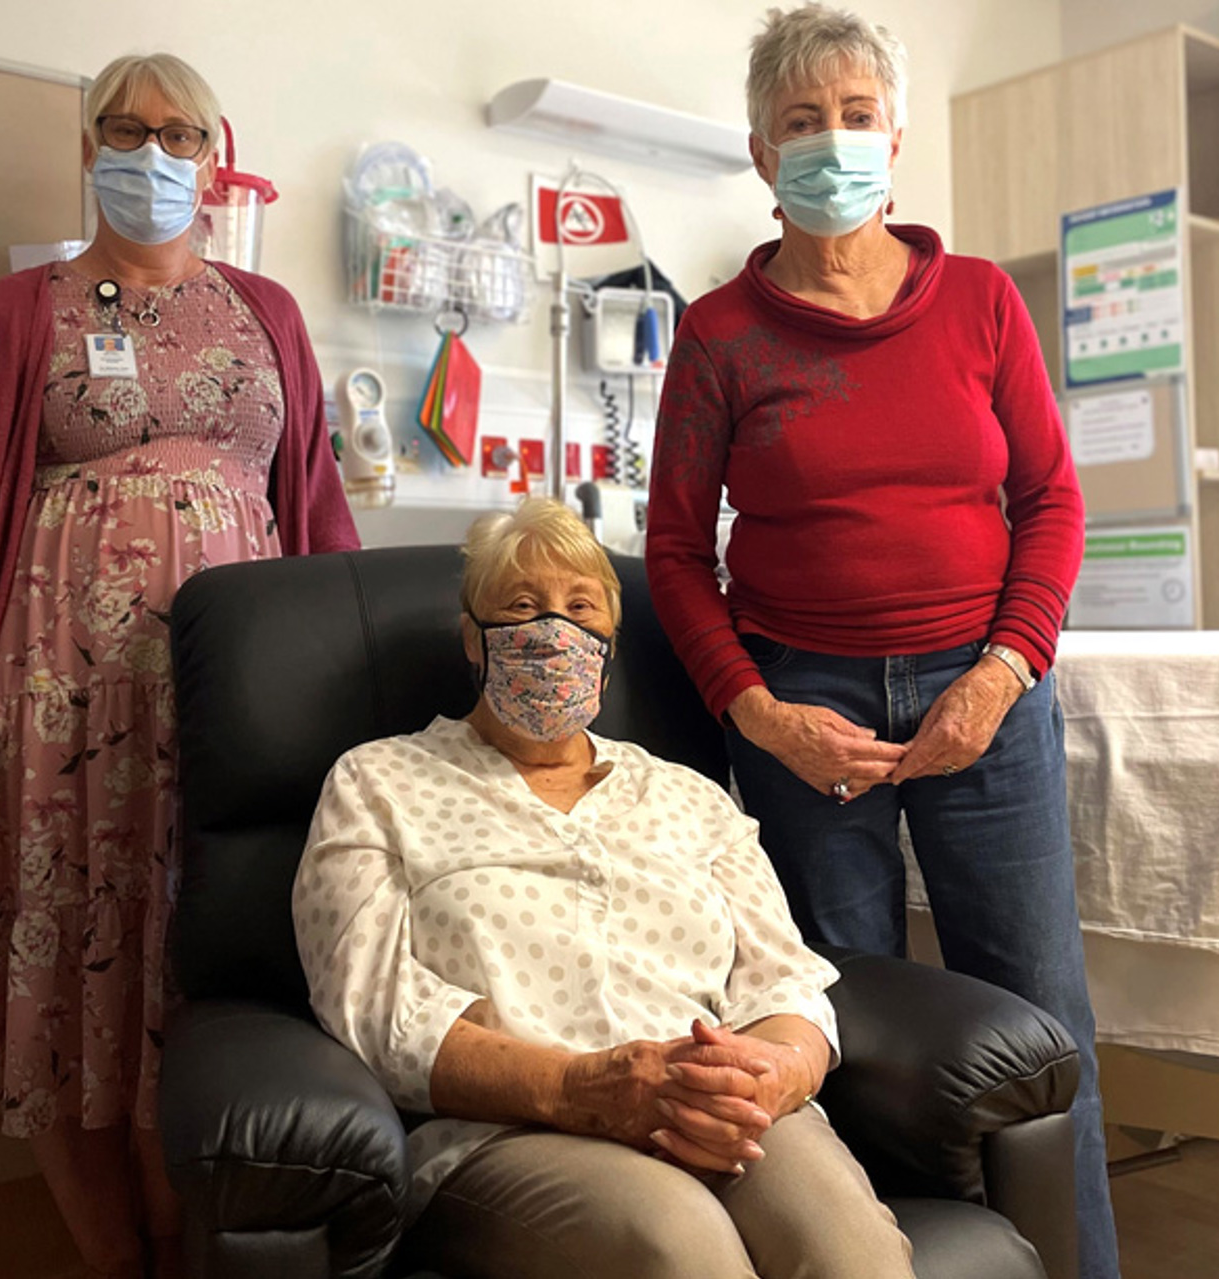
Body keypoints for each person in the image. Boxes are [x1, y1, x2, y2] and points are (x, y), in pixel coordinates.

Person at [643, 6, 1117, 1277]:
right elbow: (679, 554)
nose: (832, 141)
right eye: (802, 121)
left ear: (895, 136)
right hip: (809, 715)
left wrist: (1004, 671)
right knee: (841, 1012)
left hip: (989, 697)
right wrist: (759, 713)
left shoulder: (979, 304)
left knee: (1039, 1016)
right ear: (760, 152)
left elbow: (1053, 503)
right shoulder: (720, 336)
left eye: (856, 116)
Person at [0, 53, 358, 1279]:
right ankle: (116, 1261)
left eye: (177, 134)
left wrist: (348, 715)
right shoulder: (13, 318)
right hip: (51, 708)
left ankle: (184, 1246)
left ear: (216, 157)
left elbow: (316, 513)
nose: (150, 154)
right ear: (87, 146)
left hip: (230, 713)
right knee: (59, 981)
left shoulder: (270, 314)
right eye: (123, 129)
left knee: (189, 971)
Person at [291, 499, 915, 1279]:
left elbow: (782, 975)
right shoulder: (378, 782)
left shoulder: (689, 795)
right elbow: (371, 1005)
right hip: (511, 1129)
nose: (554, 630)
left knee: (851, 1252)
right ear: (470, 640)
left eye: (580, 607)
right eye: (521, 606)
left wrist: (771, 1074)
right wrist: (582, 1087)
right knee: (683, 1247)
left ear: (609, 646)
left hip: (726, 1107)